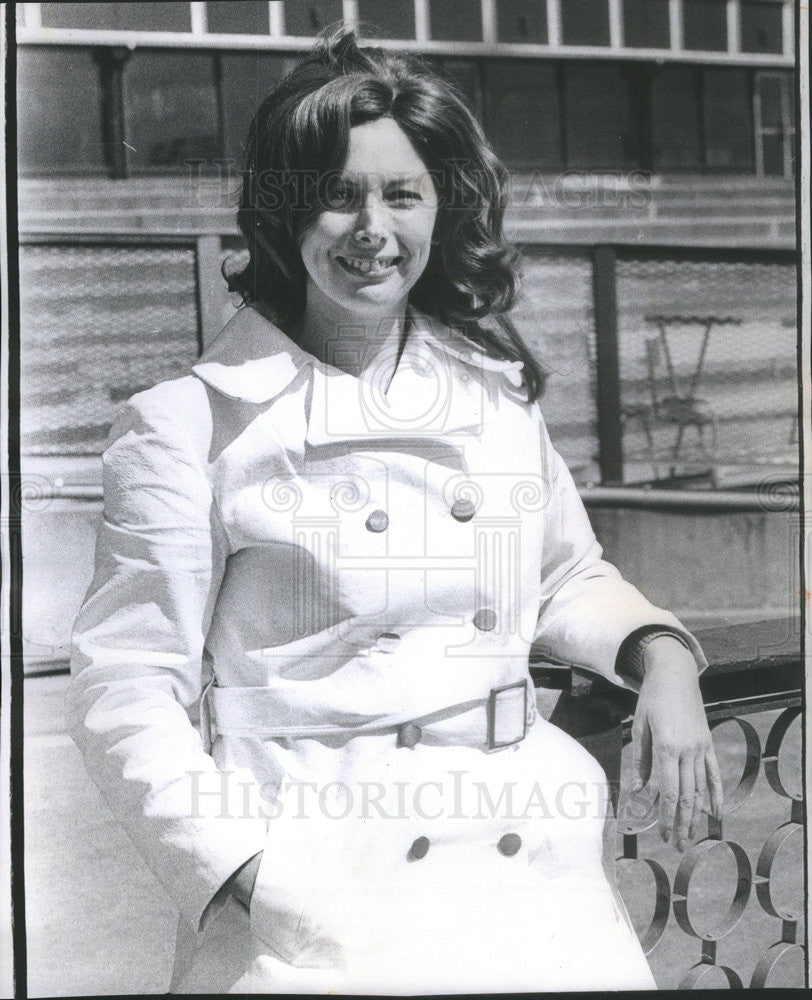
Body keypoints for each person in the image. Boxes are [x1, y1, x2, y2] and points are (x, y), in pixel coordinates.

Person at [68, 28, 723, 994]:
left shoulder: (493, 396)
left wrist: (660, 658)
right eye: (338, 195)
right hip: (321, 901)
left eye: (401, 194)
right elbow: (124, 688)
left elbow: (563, 577)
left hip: (532, 890)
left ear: (439, 211)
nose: (371, 228)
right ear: (286, 214)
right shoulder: (188, 425)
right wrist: (249, 873)